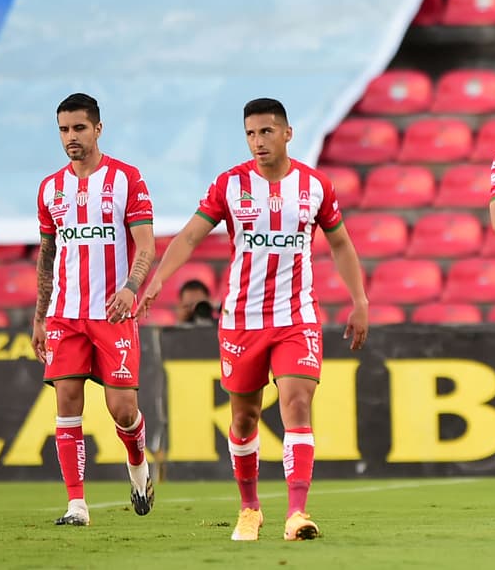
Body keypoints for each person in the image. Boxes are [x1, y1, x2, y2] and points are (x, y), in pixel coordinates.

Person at [138, 98, 370, 543]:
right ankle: (250, 508)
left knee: (297, 405)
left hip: (296, 316)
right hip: (241, 319)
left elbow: (341, 244)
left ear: (287, 133)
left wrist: (358, 299)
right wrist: (157, 281)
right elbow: (190, 235)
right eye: (250, 134)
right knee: (244, 418)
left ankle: (297, 514)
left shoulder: (315, 186)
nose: (257, 141)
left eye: (266, 132)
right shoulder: (230, 184)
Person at [31, 93, 156, 527]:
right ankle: (77, 505)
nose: (71, 137)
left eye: (79, 128)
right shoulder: (50, 188)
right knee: (66, 403)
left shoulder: (127, 179)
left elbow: (146, 246)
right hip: (65, 315)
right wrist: (39, 315)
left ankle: (138, 462)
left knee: (122, 410)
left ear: (97, 128)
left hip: (113, 315)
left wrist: (130, 288)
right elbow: (47, 255)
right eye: (64, 129)